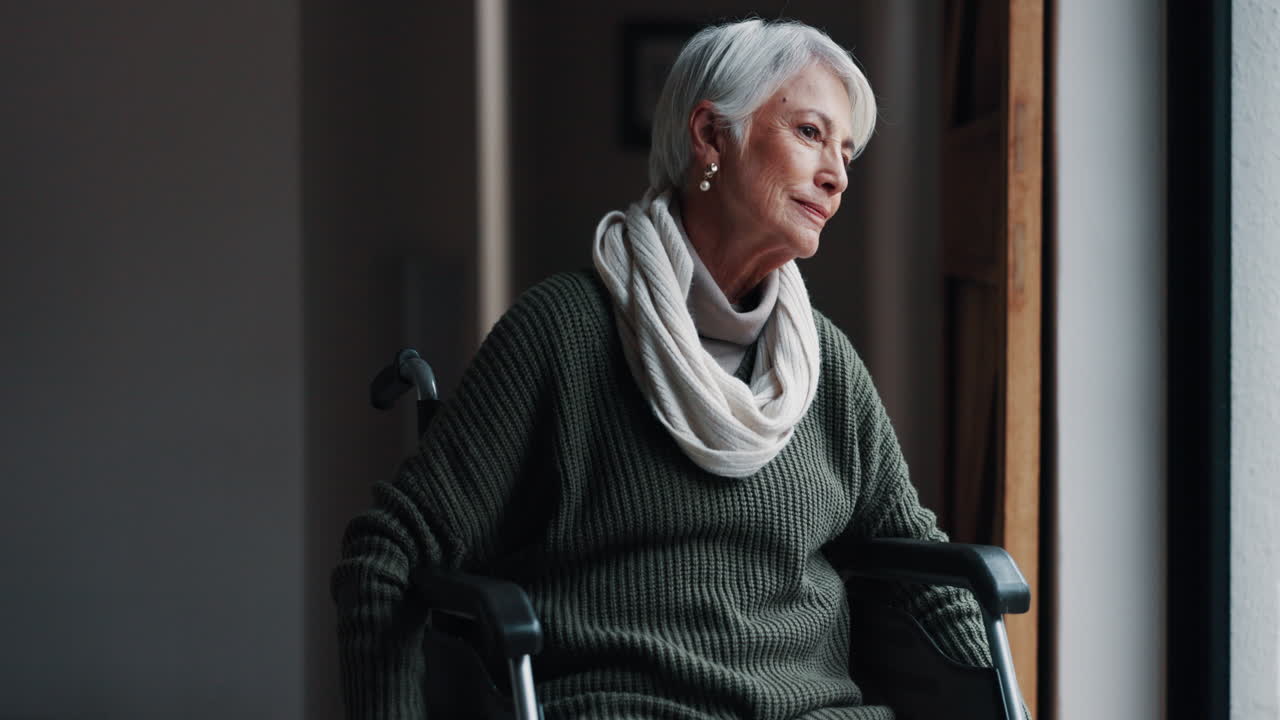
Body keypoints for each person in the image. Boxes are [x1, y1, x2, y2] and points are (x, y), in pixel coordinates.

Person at [333, 18, 1002, 719]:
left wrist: (998, 696)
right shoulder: (564, 334)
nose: (836, 175)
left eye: (846, 152)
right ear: (711, 136)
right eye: (810, 133)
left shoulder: (825, 365)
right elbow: (384, 553)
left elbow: (925, 567)